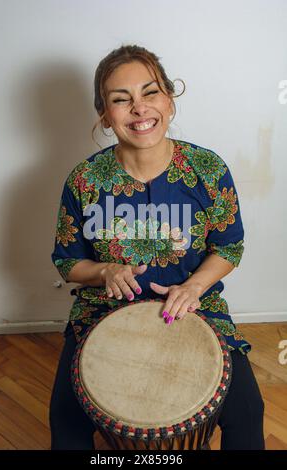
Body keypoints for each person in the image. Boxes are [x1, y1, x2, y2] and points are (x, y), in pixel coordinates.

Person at [49, 44, 265, 450]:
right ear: (105, 114)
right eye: (120, 99)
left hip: (195, 309)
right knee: (65, 425)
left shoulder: (208, 170)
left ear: (169, 99)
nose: (139, 108)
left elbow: (229, 246)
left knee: (248, 414)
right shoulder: (84, 181)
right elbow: (66, 260)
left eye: (150, 92)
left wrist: (194, 287)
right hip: (103, 313)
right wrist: (103, 271)